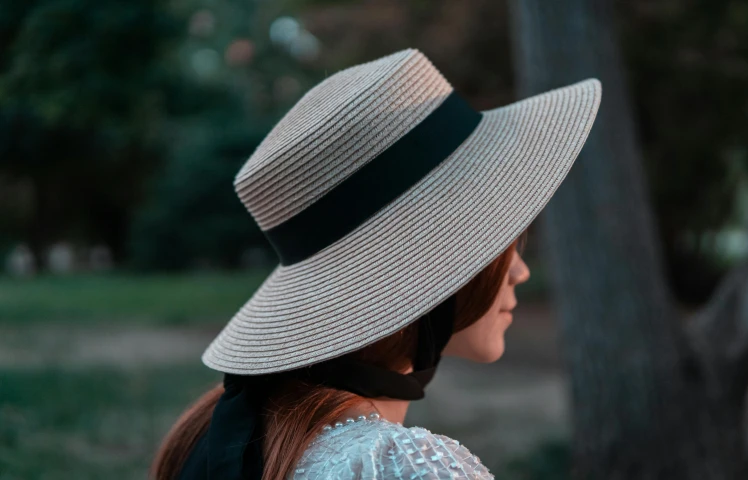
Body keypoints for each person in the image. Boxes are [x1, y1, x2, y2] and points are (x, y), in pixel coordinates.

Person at [151, 48, 601, 480]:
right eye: (502, 243)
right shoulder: (401, 467)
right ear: (428, 267)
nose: (520, 271)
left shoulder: (216, 435)